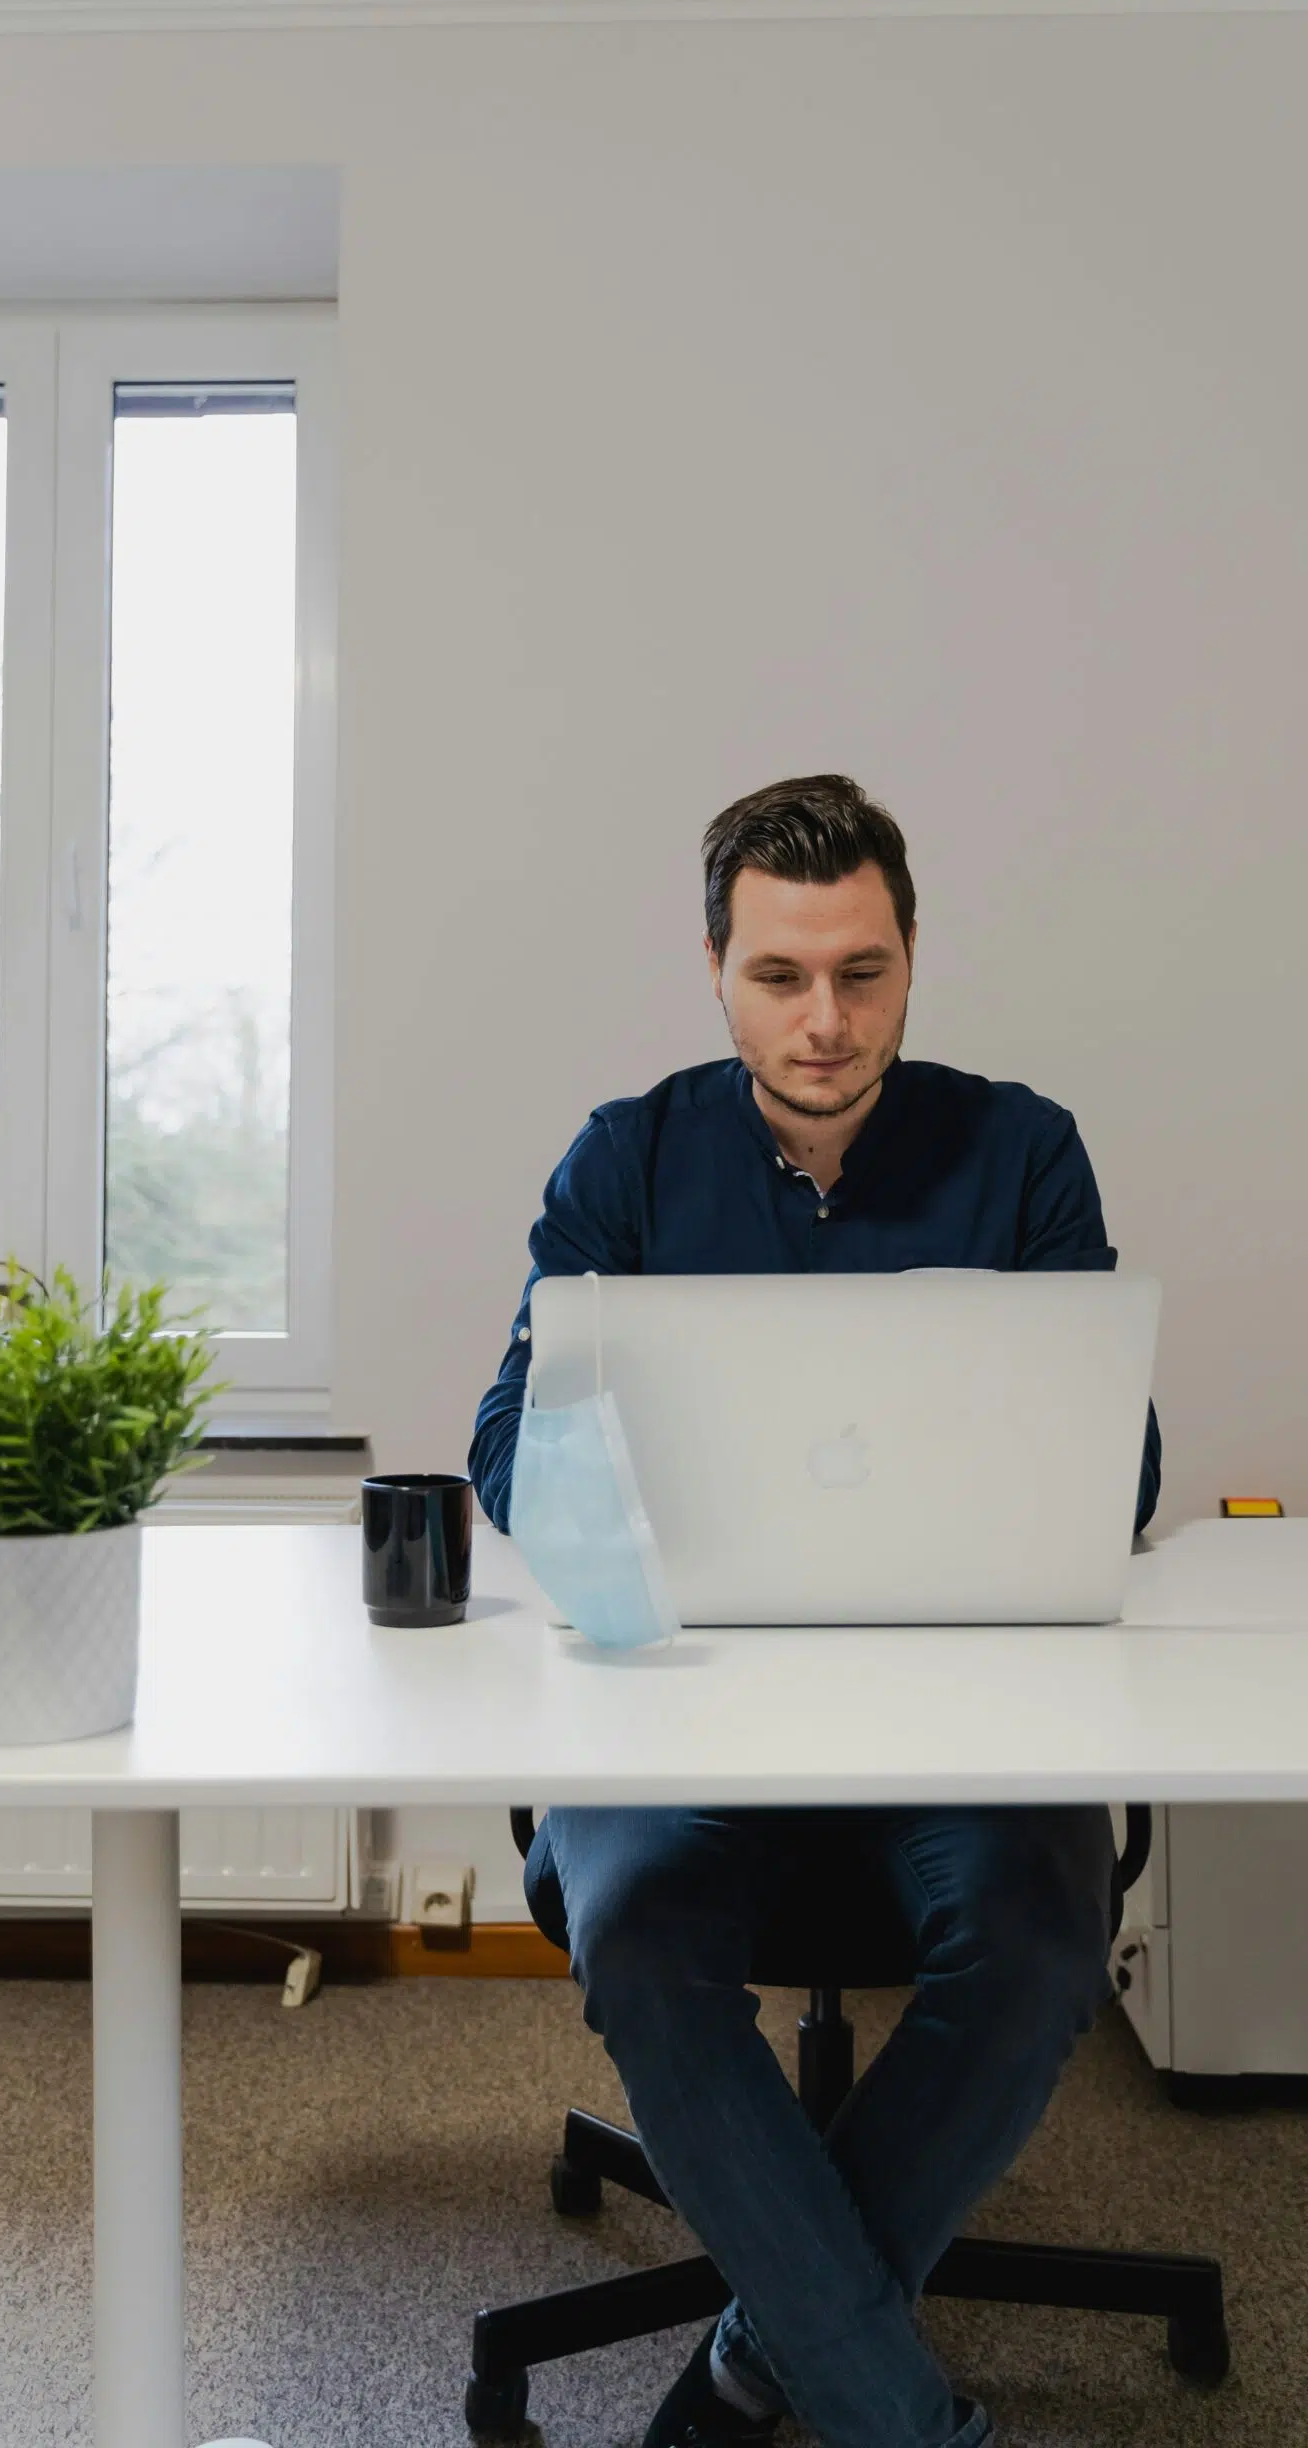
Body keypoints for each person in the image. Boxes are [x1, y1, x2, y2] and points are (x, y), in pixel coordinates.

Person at [469, 774, 1160, 2448]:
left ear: (912, 959)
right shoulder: (627, 1158)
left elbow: (1115, 1474)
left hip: (957, 1726)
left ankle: (754, 2370)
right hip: (683, 1713)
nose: (826, 1018)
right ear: (718, 967)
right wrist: (612, 1469)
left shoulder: (1020, 1151)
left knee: (1047, 1933)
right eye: (783, 975)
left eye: (862, 971)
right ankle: (895, 2417)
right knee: (636, 1931)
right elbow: (503, 1450)